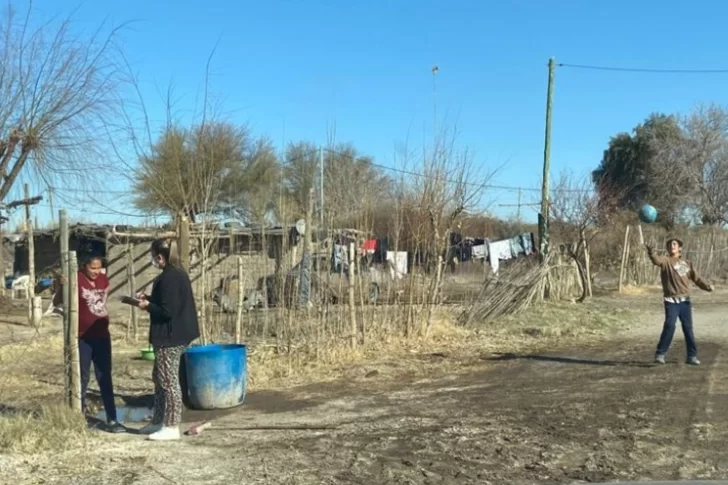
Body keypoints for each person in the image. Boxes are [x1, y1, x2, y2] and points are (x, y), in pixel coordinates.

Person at [136, 239, 199, 441]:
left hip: (170, 337)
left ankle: (171, 426)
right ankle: (158, 420)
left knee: (169, 381)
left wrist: (147, 306)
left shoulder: (169, 278)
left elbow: (167, 311)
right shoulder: (177, 274)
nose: (153, 260)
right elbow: (167, 302)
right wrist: (149, 298)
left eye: (153, 256)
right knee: (159, 377)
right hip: (178, 334)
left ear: (160, 257)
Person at [54, 255, 125, 433]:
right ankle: (78, 418)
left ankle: (112, 419)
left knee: (104, 377)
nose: (96, 272)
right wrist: (62, 286)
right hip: (82, 337)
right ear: (84, 266)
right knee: (81, 377)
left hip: (102, 336)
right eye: (93, 268)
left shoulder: (103, 278)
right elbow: (57, 302)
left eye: (99, 268)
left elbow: (103, 297)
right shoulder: (74, 279)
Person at [646, 238, 713, 365]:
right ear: (667, 248)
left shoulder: (685, 263)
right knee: (670, 325)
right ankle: (660, 354)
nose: (672, 245)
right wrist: (651, 252)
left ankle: (691, 356)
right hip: (671, 300)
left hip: (685, 301)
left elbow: (696, 278)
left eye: (675, 244)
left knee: (688, 328)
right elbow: (656, 260)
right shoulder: (665, 261)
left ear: (680, 248)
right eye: (670, 244)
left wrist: (707, 286)